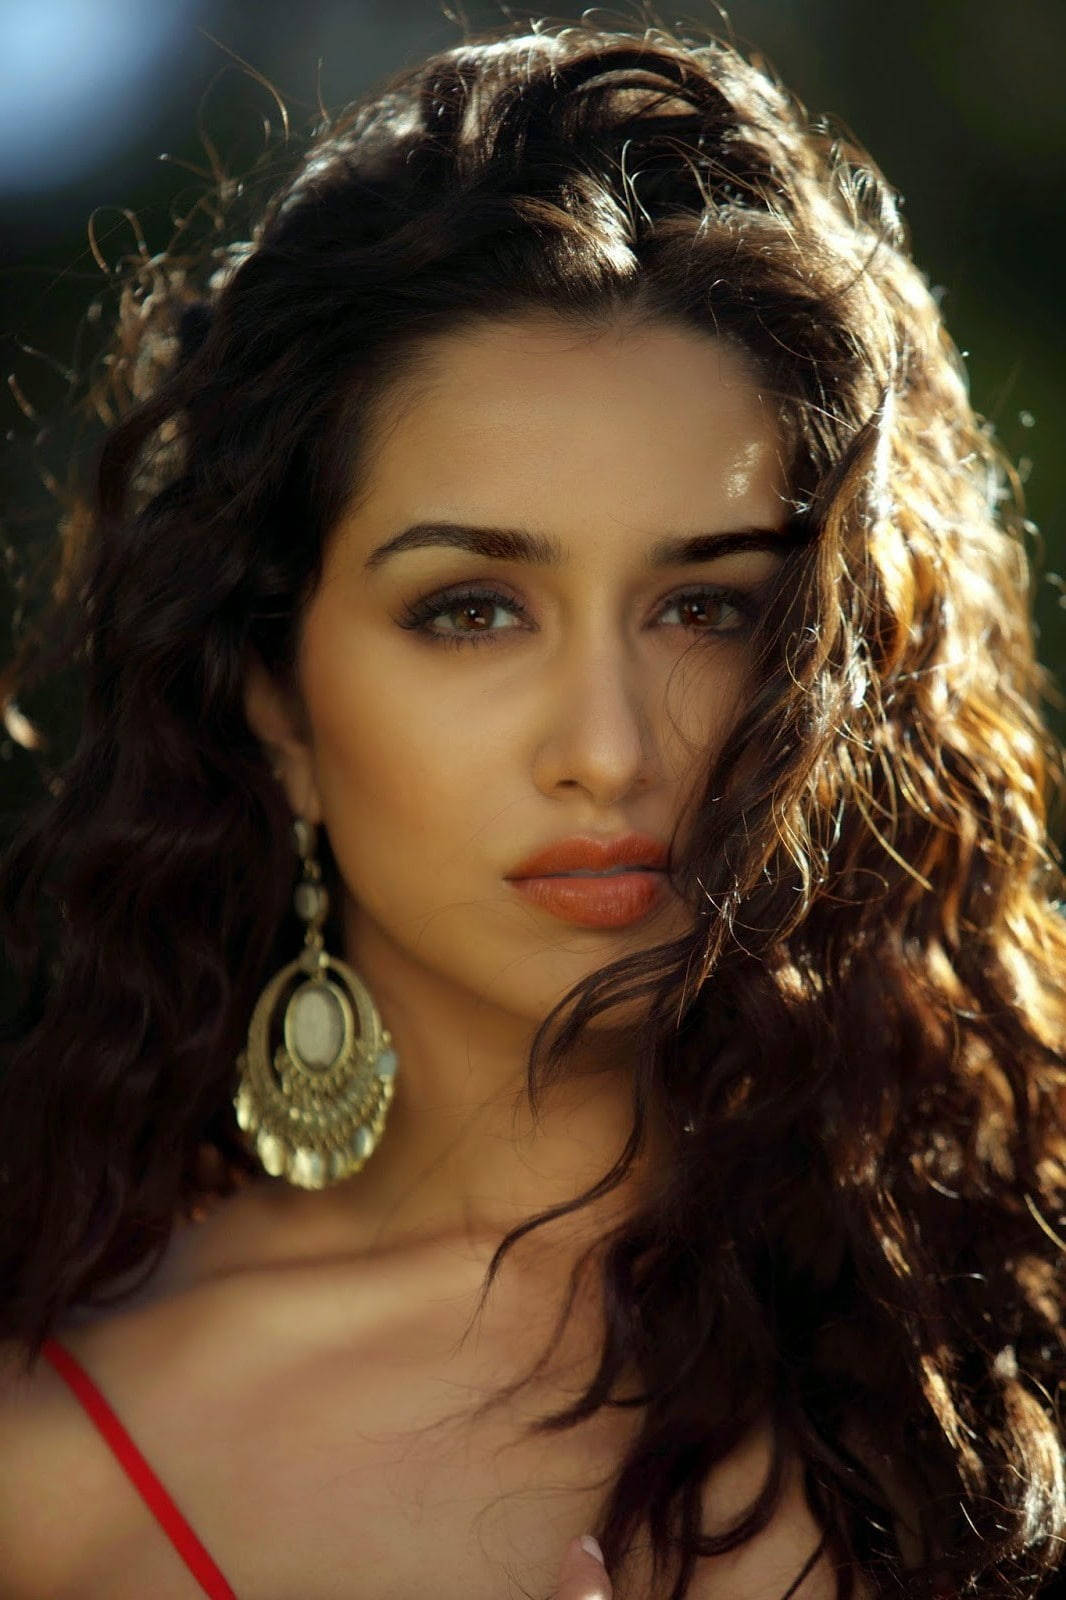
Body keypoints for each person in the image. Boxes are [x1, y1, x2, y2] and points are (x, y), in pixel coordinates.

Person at [0, 12, 1064, 1598]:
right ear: (275, 705)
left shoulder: (1015, 1297)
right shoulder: (54, 1465)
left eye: (705, 610)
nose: (608, 750)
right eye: (472, 609)